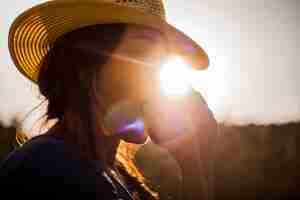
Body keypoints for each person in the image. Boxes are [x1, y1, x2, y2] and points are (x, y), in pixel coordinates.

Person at [1, 0, 218, 200]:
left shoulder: (99, 170)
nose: (157, 80)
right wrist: (193, 165)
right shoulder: (50, 169)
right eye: (143, 53)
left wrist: (196, 162)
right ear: (84, 66)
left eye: (163, 60)